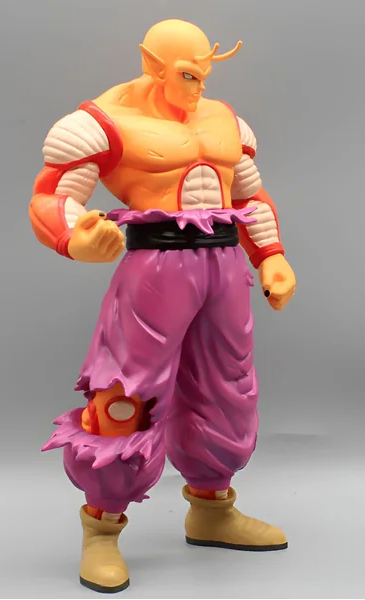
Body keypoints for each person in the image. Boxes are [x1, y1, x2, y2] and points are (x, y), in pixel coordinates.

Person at [29, 18, 297, 594]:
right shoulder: (103, 122)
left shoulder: (226, 120)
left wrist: (271, 255)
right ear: (153, 65)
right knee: (126, 392)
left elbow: (248, 194)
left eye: (205, 73)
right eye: (187, 74)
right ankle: (101, 529)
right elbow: (53, 195)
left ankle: (212, 508)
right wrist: (76, 238)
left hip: (224, 264)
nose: (199, 86)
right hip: (156, 267)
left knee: (227, 386)